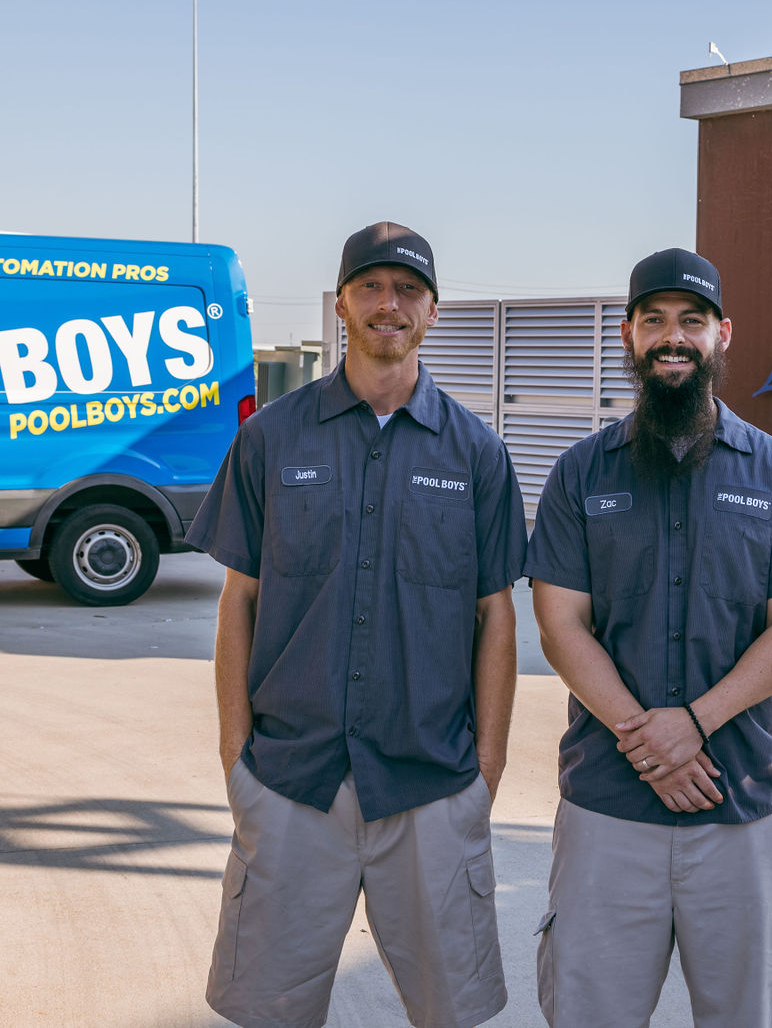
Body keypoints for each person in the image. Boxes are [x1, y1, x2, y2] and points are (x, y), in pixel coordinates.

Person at [186, 221, 527, 1028]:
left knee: (451, 1012)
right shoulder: (271, 437)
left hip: (431, 787)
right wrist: (236, 758)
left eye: (408, 290)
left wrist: (486, 771)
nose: (389, 303)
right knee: (268, 1011)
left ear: (434, 312)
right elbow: (240, 599)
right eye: (371, 286)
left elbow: (495, 615)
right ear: (339, 302)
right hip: (292, 784)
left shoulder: (477, 454)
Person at [525, 247, 772, 1027]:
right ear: (629, 334)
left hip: (741, 810)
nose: (674, 338)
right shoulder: (579, 474)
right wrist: (647, 743)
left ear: (722, 333)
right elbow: (561, 624)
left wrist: (692, 724)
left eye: (691, 321)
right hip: (608, 809)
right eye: (655, 321)